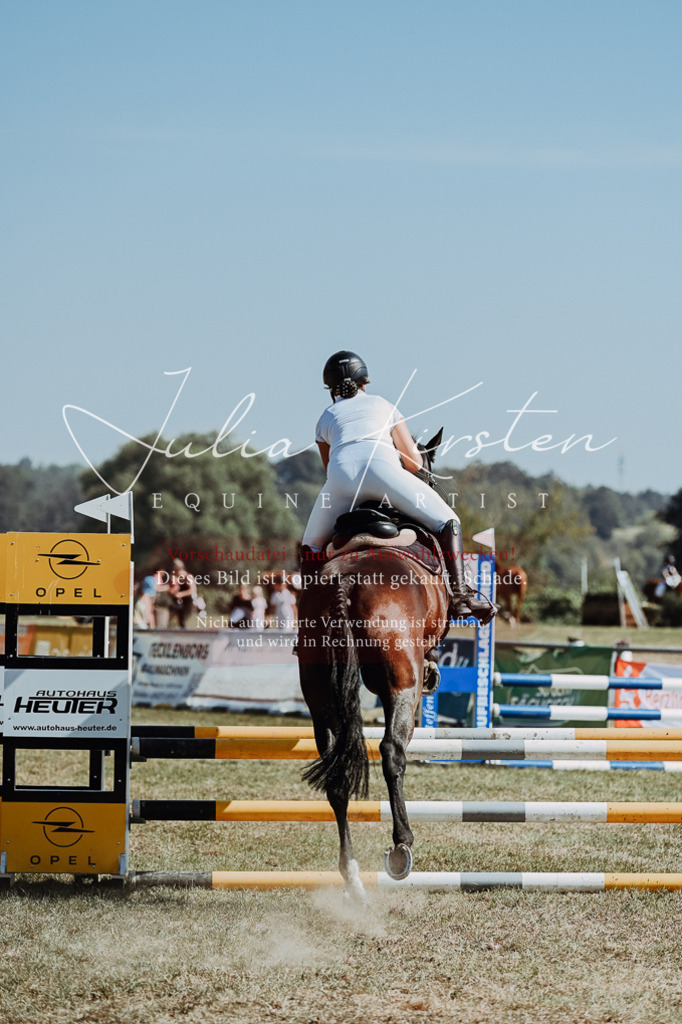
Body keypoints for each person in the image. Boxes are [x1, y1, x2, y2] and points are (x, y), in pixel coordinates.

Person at [301, 350, 495, 623]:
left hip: (341, 481)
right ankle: (461, 596)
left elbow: (327, 468)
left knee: (310, 546)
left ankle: (307, 620)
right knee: (449, 520)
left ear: (331, 389)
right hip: (383, 473)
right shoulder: (384, 405)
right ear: (364, 383)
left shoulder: (325, 417)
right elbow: (415, 464)